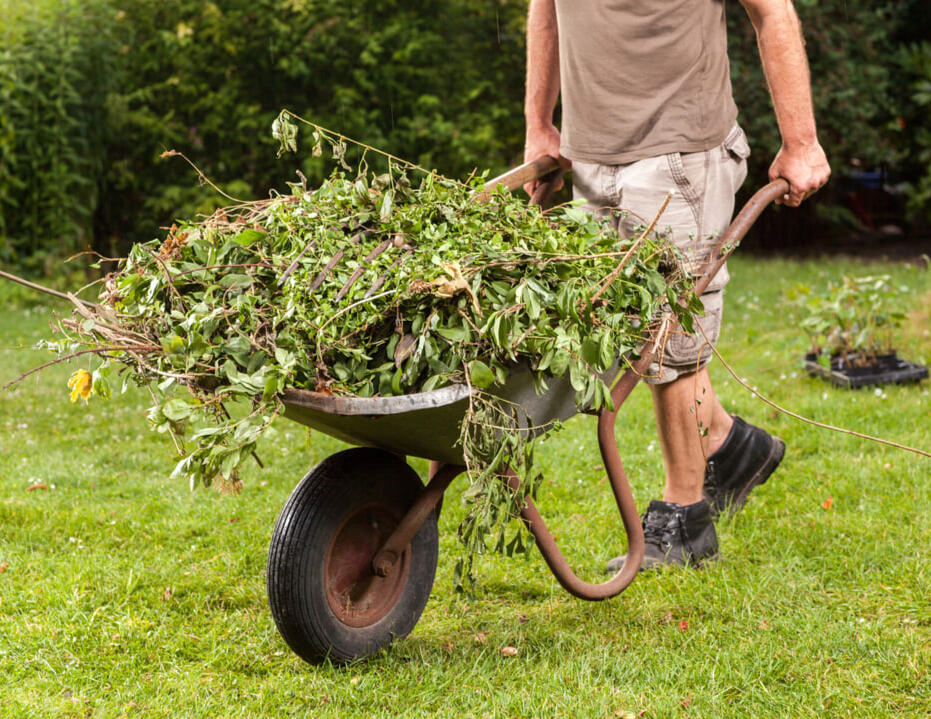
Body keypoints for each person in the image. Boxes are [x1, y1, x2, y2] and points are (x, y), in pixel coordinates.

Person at [523, 0, 831, 570]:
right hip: (591, 155)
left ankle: (685, 519)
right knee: (628, 330)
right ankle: (729, 444)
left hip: (680, 153)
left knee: (670, 339)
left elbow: (773, 12)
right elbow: (545, 10)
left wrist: (801, 140)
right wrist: (539, 125)